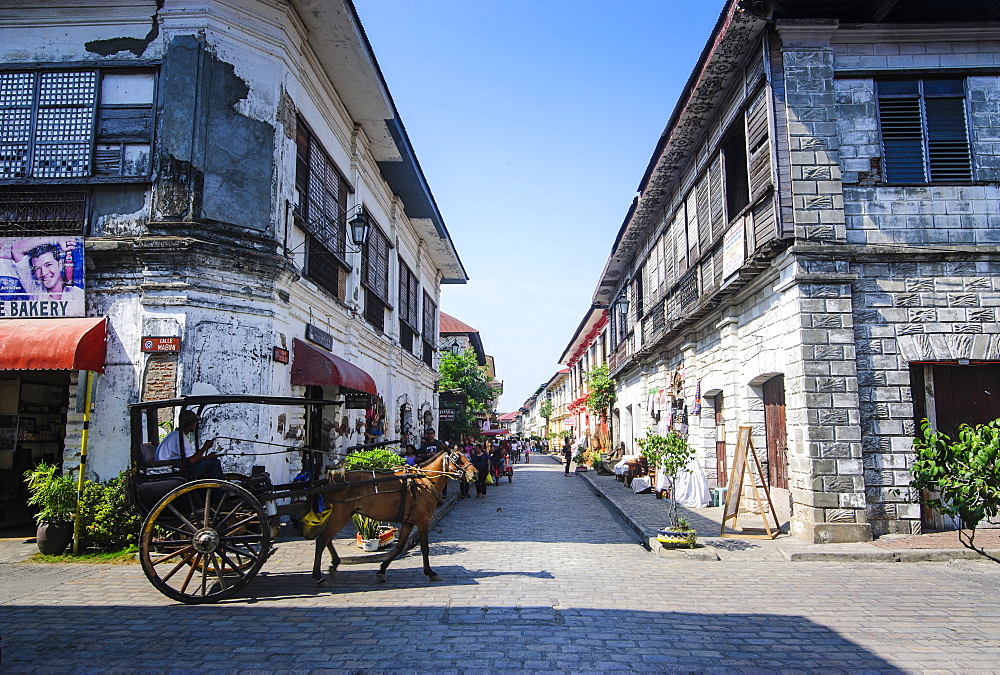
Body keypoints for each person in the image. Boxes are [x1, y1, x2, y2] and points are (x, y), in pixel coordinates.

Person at [155, 410, 224, 479]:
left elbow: (189, 459)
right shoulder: (179, 437)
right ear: (192, 424)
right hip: (170, 471)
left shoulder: (174, 434)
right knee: (214, 463)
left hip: (171, 467)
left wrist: (206, 458)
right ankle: (220, 489)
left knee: (208, 462)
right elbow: (191, 461)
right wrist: (205, 447)